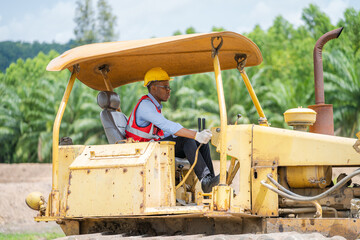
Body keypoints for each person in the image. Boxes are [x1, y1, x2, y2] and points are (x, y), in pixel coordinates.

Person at [125, 67, 219, 193]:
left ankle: (209, 182)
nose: (169, 91)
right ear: (153, 88)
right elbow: (167, 125)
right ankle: (205, 181)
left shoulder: (155, 106)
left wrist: (196, 135)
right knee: (187, 139)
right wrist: (195, 134)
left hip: (151, 148)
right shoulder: (145, 105)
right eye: (165, 87)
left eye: (169, 87)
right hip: (143, 150)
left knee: (201, 144)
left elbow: (165, 132)